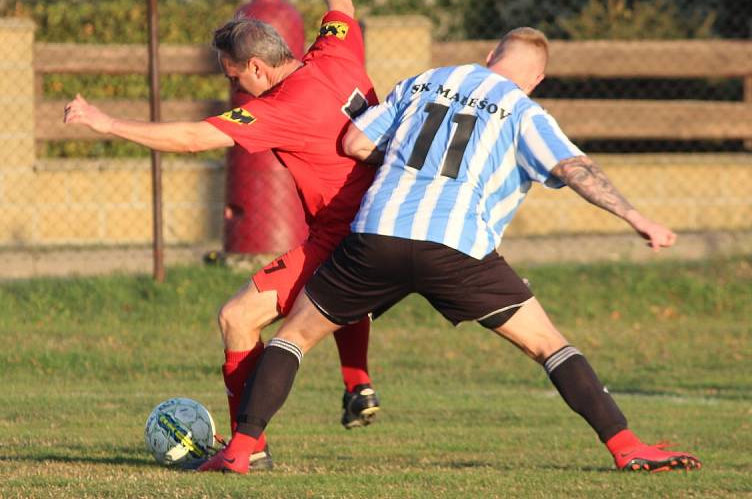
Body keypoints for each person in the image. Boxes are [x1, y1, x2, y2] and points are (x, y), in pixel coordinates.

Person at [199, 27, 703, 474]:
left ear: (489, 55)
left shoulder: (426, 80)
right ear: (535, 80)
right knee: (550, 346)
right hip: (457, 248)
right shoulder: (525, 111)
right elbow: (576, 171)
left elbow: (355, 144)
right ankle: (626, 445)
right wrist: (637, 218)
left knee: (293, 338)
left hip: (378, 233)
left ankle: (242, 449)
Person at [64, 0, 382, 470]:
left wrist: (106, 122)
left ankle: (246, 445)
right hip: (388, 223)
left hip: (343, 238)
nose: (234, 87)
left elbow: (191, 137)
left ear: (259, 68)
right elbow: (342, 2)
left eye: (233, 77)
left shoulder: (283, 108)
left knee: (238, 318)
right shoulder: (336, 53)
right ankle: (357, 384)